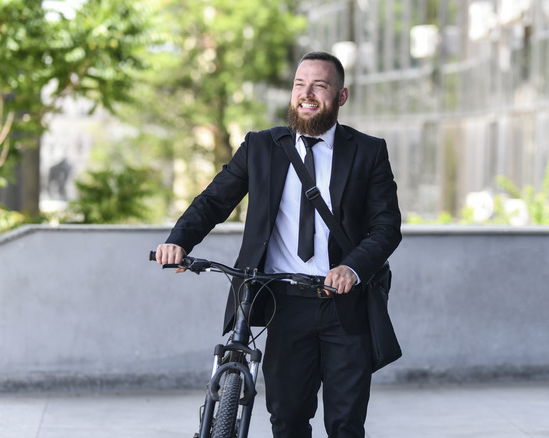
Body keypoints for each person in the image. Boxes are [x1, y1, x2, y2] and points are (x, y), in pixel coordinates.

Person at [155, 51, 401, 438]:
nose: (307, 93)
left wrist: (351, 267)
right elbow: (214, 201)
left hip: (345, 306)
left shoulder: (368, 151)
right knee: (286, 419)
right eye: (300, 84)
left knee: (345, 423)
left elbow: (386, 227)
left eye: (320, 85)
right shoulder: (260, 146)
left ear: (341, 96)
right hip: (283, 304)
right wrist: (178, 241)